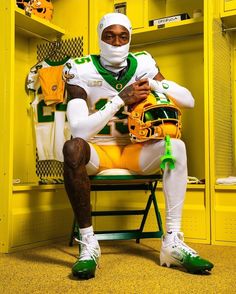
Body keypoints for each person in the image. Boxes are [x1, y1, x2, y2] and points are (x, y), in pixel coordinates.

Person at [62, 12, 213, 279]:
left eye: (123, 36)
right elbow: (78, 129)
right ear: (99, 37)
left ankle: (172, 242)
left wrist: (155, 83)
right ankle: (89, 244)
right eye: (109, 36)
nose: (116, 42)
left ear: (130, 38)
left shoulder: (144, 63)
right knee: (72, 147)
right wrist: (120, 99)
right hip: (98, 151)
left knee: (176, 146)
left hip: (136, 149)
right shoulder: (80, 68)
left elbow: (188, 101)